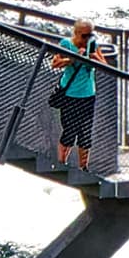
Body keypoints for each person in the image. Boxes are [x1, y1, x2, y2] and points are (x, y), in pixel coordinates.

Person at [47, 21, 107, 176]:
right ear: (76, 33)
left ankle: (84, 167)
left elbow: (105, 65)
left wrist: (94, 58)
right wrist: (73, 59)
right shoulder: (66, 44)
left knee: (85, 133)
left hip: (88, 95)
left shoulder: (92, 44)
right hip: (70, 95)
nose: (88, 38)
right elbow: (55, 63)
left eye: (90, 34)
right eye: (85, 35)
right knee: (69, 131)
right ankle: (61, 162)